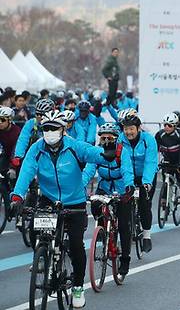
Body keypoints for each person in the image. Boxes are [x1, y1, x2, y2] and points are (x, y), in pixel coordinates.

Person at [10, 111, 118, 309]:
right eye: (46, 129)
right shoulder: (37, 148)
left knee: (76, 245)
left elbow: (92, 153)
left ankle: (77, 287)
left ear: (63, 129)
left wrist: (106, 155)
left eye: (53, 128)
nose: (49, 132)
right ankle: (42, 255)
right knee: (36, 228)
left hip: (74, 203)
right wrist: (17, 196)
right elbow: (26, 170)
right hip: (48, 199)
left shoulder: (74, 146)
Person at [83, 123, 135, 279]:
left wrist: (129, 187)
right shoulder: (97, 152)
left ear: (116, 138)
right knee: (95, 207)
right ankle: (103, 232)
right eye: (103, 137)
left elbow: (127, 170)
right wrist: (80, 187)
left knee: (124, 226)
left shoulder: (122, 152)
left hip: (121, 190)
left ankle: (125, 260)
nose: (105, 140)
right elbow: (88, 171)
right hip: (104, 187)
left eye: (109, 138)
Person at [118, 113, 156, 252]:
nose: (128, 132)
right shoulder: (120, 140)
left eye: (131, 129)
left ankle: (146, 236)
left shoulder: (148, 140)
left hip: (145, 175)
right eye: (125, 129)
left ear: (139, 128)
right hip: (127, 175)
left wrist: (147, 182)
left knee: (145, 205)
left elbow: (151, 162)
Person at [155, 113, 180, 202]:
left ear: (175, 126)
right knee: (166, 181)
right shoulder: (159, 134)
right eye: (165, 125)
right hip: (167, 159)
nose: (166, 127)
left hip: (179, 158)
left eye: (169, 125)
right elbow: (154, 151)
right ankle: (164, 201)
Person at [0, 106, 21, 211]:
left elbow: (16, 151)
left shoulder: (17, 132)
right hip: (5, 156)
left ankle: (16, 199)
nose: (0, 122)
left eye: (2, 120)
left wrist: (12, 168)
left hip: (17, 157)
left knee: (13, 177)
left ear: (9, 120)